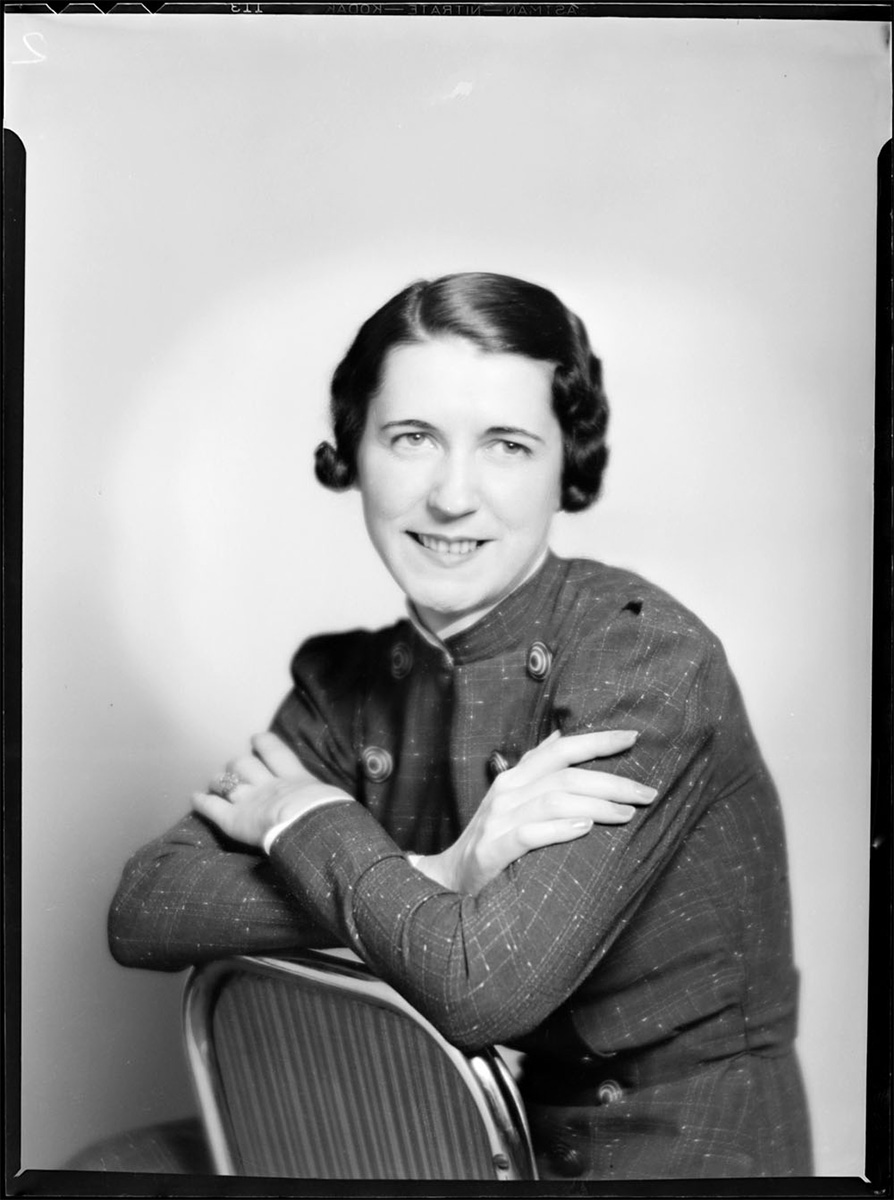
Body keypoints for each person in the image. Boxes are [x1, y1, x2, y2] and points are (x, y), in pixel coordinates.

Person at [108, 272, 812, 1180]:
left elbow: (489, 987)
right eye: (411, 438)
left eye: (507, 446)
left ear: (567, 465)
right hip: (461, 1132)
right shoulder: (343, 684)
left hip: (680, 1154)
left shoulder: (645, 660)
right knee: (112, 1167)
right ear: (353, 451)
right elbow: (144, 909)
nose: (451, 495)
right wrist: (432, 874)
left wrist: (300, 817)